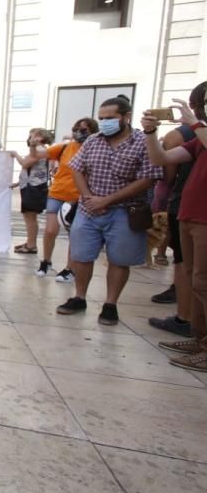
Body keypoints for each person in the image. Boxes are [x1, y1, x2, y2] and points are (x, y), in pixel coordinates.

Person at [56, 95, 161, 325]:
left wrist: (108, 200)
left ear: (126, 117)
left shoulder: (143, 142)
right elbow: (77, 170)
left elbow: (148, 178)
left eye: (110, 118)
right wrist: (88, 196)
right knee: (81, 255)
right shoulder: (93, 140)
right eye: (101, 118)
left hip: (124, 210)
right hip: (89, 208)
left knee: (119, 259)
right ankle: (79, 296)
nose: (105, 122)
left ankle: (110, 304)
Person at [141, 93, 207, 370]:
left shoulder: (200, 133)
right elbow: (161, 158)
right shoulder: (198, 141)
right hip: (189, 215)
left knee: (204, 282)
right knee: (194, 282)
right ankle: (200, 339)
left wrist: (194, 124)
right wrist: (151, 132)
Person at [37, 118, 99, 281]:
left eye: (84, 130)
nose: (79, 132)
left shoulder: (95, 149)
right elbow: (37, 155)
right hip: (57, 193)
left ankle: (70, 269)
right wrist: (32, 145)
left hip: (78, 197)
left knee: (74, 234)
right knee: (50, 230)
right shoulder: (65, 147)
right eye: (76, 128)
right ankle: (46, 261)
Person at [11, 129, 52, 255]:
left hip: (33, 188)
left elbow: (25, 164)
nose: (30, 138)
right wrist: (18, 183)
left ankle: (31, 245)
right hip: (32, 186)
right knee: (29, 216)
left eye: (33, 135)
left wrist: (15, 154)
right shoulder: (40, 150)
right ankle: (30, 242)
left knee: (30, 217)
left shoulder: (40, 150)